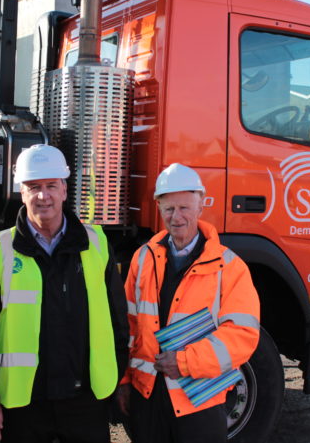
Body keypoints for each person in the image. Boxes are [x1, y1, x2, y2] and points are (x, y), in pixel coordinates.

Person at [0, 144, 128, 443]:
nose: (43, 195)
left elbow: (118, 325)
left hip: (86, 403)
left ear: (64, 190)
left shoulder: (97, 246)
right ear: (21, 192)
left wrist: (117, 383)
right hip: (24, 407)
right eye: (33, 186)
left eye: (51, 185)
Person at [118, 163, 260, 443]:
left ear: (200, 207)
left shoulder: (229, 266)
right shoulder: (143, 259)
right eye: (169, 209)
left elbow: (242, 336)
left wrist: (184, 361)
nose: (176, 216)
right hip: (148, 396)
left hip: (200, 400)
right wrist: (124, 382)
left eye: (184, 208)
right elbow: (127, 326)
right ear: (159, 210)